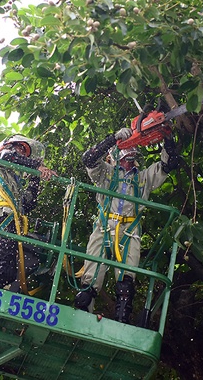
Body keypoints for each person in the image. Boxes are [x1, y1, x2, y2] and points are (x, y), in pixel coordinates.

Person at [74, 127, 178, 323]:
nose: (127, 159)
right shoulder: (105, 172)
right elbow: (89, 159)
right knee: (90, 279)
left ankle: (122, 322)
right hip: (104, 227)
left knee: (126, 282)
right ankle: (81, 317)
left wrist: (167, 137)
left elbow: (169, 164)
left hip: (130, 230)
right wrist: (113, 138)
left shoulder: (143, 177)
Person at [0, 135, 57, 291]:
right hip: (2, 218)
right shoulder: (2, 161)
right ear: (11, 147)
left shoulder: (11, 179)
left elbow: (28, 203)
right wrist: (36, 166)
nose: (22, 155)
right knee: (6, 270)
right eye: (20, 150)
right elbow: (9, 156)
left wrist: (35, 178)